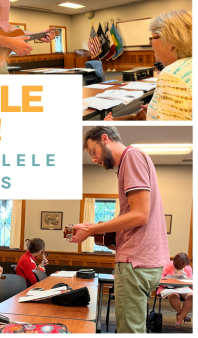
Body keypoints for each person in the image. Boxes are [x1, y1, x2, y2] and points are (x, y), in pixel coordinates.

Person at [70, 126, 169, 333]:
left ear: (104, 139)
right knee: (135, 327)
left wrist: (91, 230)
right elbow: (131, 216)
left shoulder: (131, 157)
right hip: (146, 261)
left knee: (129, 331)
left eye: (92, 153)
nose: (94, 160)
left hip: (135, 261)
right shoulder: (131, 160)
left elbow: (140, 215)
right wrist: (93, 227)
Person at [105, 9, 192, 121]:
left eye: (153, 38)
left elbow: (165, 131)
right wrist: (153, 111)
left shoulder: (172, 75)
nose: (149, 43)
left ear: (171, 40)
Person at [157, 252, 193, 328]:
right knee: (174, 295)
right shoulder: (167, 265)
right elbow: (159, 279)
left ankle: (180, 317)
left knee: (192, 296)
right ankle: (182, 315)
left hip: (183, 287)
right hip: (168, 288)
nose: (183, 267)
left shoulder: (188, 267)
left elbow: (190, 280)